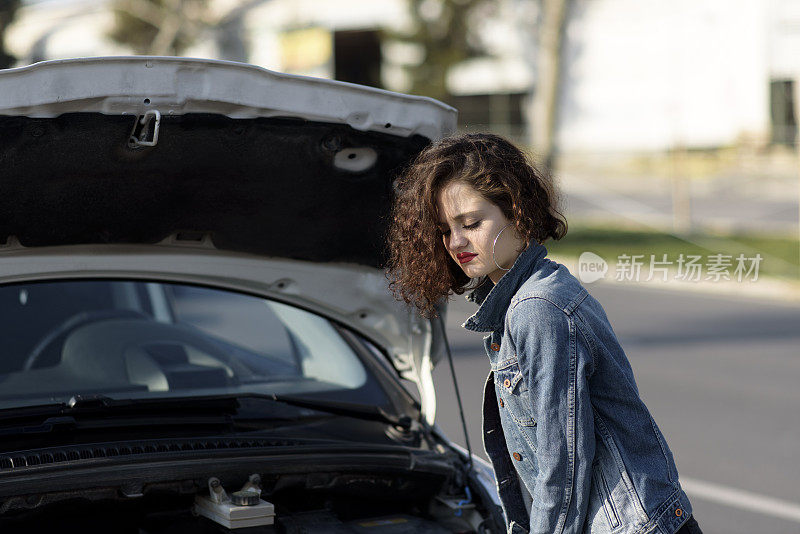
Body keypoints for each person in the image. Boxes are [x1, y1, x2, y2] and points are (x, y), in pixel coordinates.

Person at [386, 133, 702, 534]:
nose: (456, 242)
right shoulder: (528, 296)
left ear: (517, 212)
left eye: (471, 223)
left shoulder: (537, 307)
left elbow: (562, 462)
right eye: (446, 230)